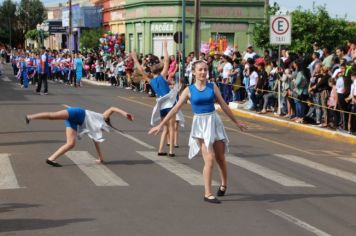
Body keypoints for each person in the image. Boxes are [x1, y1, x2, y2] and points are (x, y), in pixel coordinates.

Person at [149, 60, 247, 204]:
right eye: (200, 70)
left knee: (220, 157)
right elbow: (175, 109)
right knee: (210, 158)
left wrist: (237, 122)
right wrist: (160, 125)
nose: (203, 72)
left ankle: (224, 184)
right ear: (194, 72)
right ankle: (207, 193)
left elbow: (224, 106)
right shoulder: (188, 90)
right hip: (200, 125)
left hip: (214, 122)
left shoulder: (212, 86)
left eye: (205, 70)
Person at [25, 106, 134, 167]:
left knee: (70, 144)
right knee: (52, 116)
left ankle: (51, 159)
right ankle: (30, 117)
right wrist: (125, 114)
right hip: (78, 113)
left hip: (75, 122)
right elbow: (112, 108)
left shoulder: (96, 129)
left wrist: (100, 158)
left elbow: (96, 142)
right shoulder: (103, 118)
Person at [132, 41, 177, 157]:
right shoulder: (163, 76)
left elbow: (141, 70)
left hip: (161, 104)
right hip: (170, 103)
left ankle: (161, 149)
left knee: (165, 128)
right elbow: (167, 61)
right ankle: (171, 151)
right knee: (171, 127)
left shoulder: (150, 80)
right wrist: (165, 47)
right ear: (160, 69)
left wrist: (135, 60)